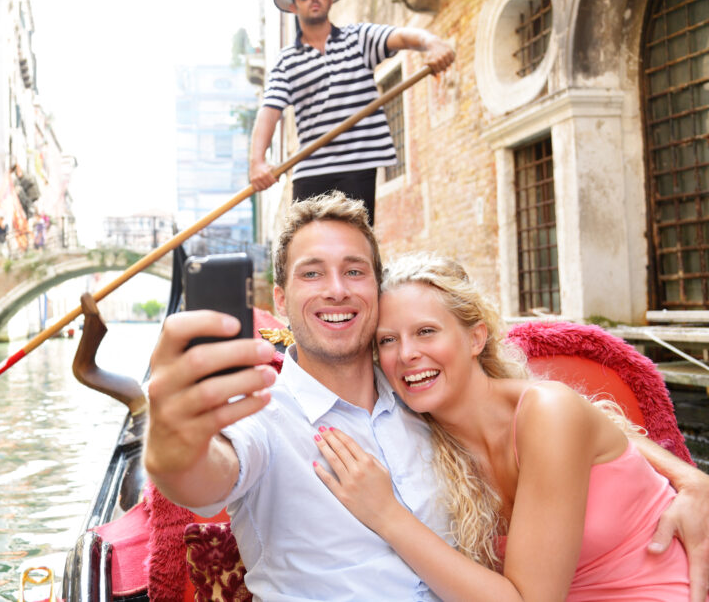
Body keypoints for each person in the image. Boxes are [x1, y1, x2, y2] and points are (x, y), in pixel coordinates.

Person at [143, 191, 709, 601]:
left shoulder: (420, 396)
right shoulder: (262, 411)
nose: (337, 289)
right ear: (282, 298)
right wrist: (173, 443)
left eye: (355, 271)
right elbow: (206, 475)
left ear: (374, 290)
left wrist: (690, 479)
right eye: (313, 274)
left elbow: (562, 420)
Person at [314, 253, 704, 601]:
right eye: (387, 340)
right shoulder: (422, 441)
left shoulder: (547, 411)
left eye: (426, 331)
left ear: (476, 338)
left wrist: (386, 516)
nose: (407, 354)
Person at [248, 0, 456, 224]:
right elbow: (269, 111)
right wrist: (257, 162)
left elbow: (402, 37)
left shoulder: (359, 38)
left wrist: (432, 44)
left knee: (355, 245)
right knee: (305, 247)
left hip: (358, 165)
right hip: (311, 168)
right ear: (293, 6)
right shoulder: (286, 60)